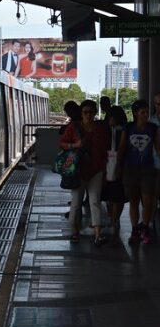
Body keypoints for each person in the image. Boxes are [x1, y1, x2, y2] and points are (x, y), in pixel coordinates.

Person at [60, 100, 109, 245]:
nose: (88, 115)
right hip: (78, 171)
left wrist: (106, 171)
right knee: (76, 203)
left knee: (95, 202)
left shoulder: (101, 129)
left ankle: (98, 234)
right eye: (85, 112)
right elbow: (61, 143)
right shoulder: (73, 127)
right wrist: (74, 145)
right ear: (81, 113)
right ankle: (75, 231)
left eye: (91, 112)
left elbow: (105, 151)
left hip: (96, 170)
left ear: (95, 113)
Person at [117, 99, 160, 245]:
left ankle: (145, 227)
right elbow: (122, 148)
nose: (146, 115)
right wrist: (118, 166)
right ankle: (135, 228)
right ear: (135, 114)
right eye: (142, 112)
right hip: (130, 169)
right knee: (134, 200)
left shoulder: (153, 128)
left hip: (148, 168)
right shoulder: (128, 128)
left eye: (147, 112)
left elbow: (158, 148)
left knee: (147, 200)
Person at [102, 105, 127, 233]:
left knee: (112, 196)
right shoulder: (124, 130)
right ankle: (114, 220)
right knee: (118, 196)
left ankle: (113, 220)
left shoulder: (110, 130)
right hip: (120, 166)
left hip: (112, 166)